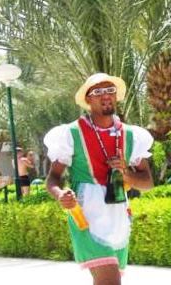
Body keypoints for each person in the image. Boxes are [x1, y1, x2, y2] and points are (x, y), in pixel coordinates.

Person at [44, 73, 154, 285]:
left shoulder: (131, 135)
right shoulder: (71, 133)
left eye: (110, 90)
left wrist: (126, 173)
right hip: (87, 214)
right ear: (88, 99)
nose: (106, 96)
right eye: (98, 91)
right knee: (110, 280)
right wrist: (60, 194)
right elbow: (53, 178)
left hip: (119, 215)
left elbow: (147, 182)